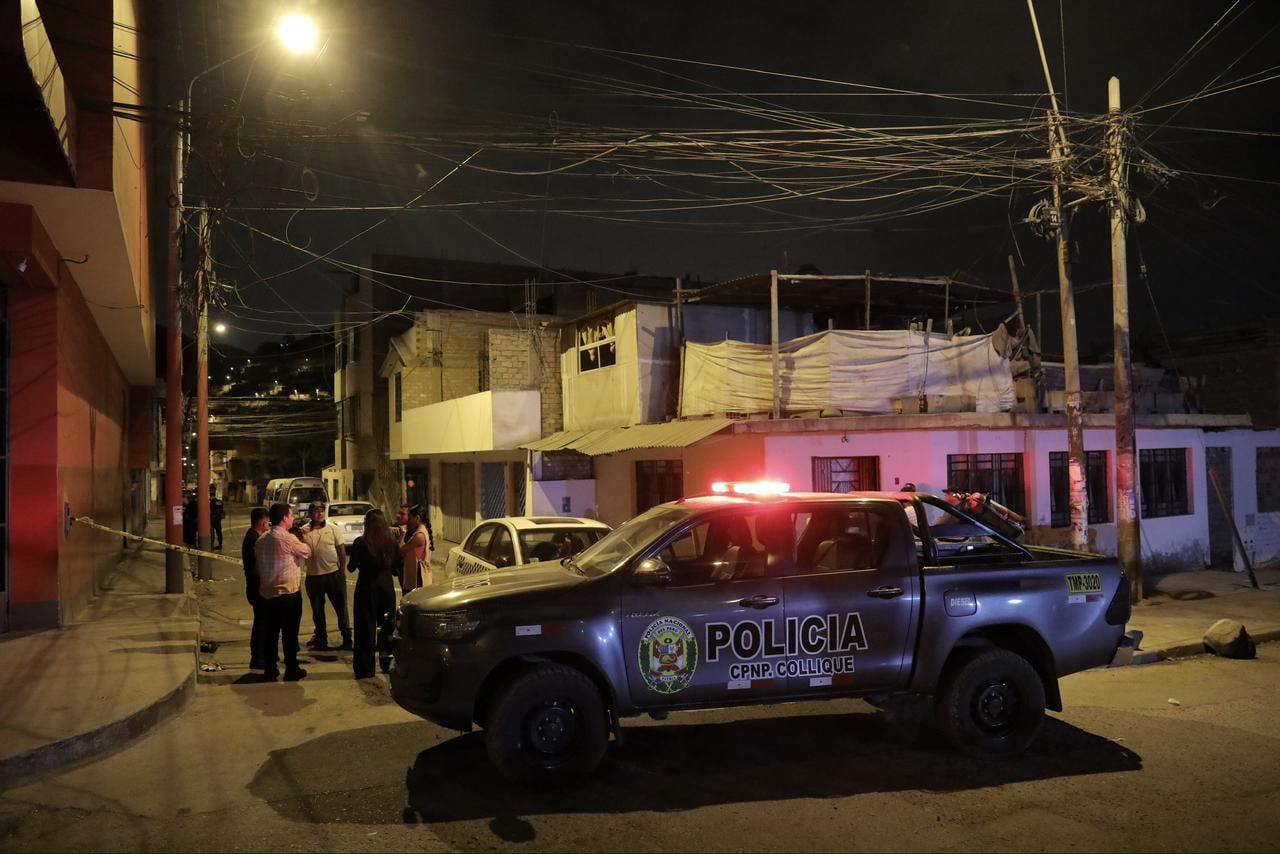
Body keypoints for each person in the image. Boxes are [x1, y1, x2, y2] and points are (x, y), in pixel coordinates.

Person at [255, 502, 312, 682]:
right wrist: (300, 539)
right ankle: (291, 668)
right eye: (291, 515)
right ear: (284, 518)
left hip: (267, 595)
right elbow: (307, 552)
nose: (293, 518)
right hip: (288, 595)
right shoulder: (287, 539)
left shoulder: (261, 540)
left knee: (270, 634)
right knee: (289, 633)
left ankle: (270, 669)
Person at [348, 509, 398, 679]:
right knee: (387, 627)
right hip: (386, 588)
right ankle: (387, 662)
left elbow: (351, 566)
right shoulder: (391, 542)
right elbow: (398, 569)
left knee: (365, 628)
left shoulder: (361, 543)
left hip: (366, 588)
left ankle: (365, 668)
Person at [302, 501, 351, 651]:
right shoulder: (303, 531)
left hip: (332, 574)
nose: (319, 513)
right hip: (313, 576)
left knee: (341, 608)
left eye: (322, 511)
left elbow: (341, 553)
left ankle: (347, 638)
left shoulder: (333, 529)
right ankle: (321, 639)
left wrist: (341, 572)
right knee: (317, 610)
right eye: (316, 511)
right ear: (310, 514)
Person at [241, 507, 270, 670]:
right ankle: (257, 657)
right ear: (263, 521)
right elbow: (256, 567)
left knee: (263, 621)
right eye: (267, 522)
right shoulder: (253, 539)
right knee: (261, 622)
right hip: (256, 586)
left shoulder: (253, 536)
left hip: (256, 585)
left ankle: (261, 654)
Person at [397, 503, 434, 592]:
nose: (409, 521)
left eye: (410, 518)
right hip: (416, 576)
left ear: (417, 518)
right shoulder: (421, 531)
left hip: (417, 578)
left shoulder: (419, 535)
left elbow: (401, 550)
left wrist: (402, 534)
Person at [210, 485, 225, 550]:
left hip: (211, 519)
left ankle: (211, 545)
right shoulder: (219, 501)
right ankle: (220, 544)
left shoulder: (209, 502)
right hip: (218, 519)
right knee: (219, 532)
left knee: (212, 532)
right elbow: (222, 510)